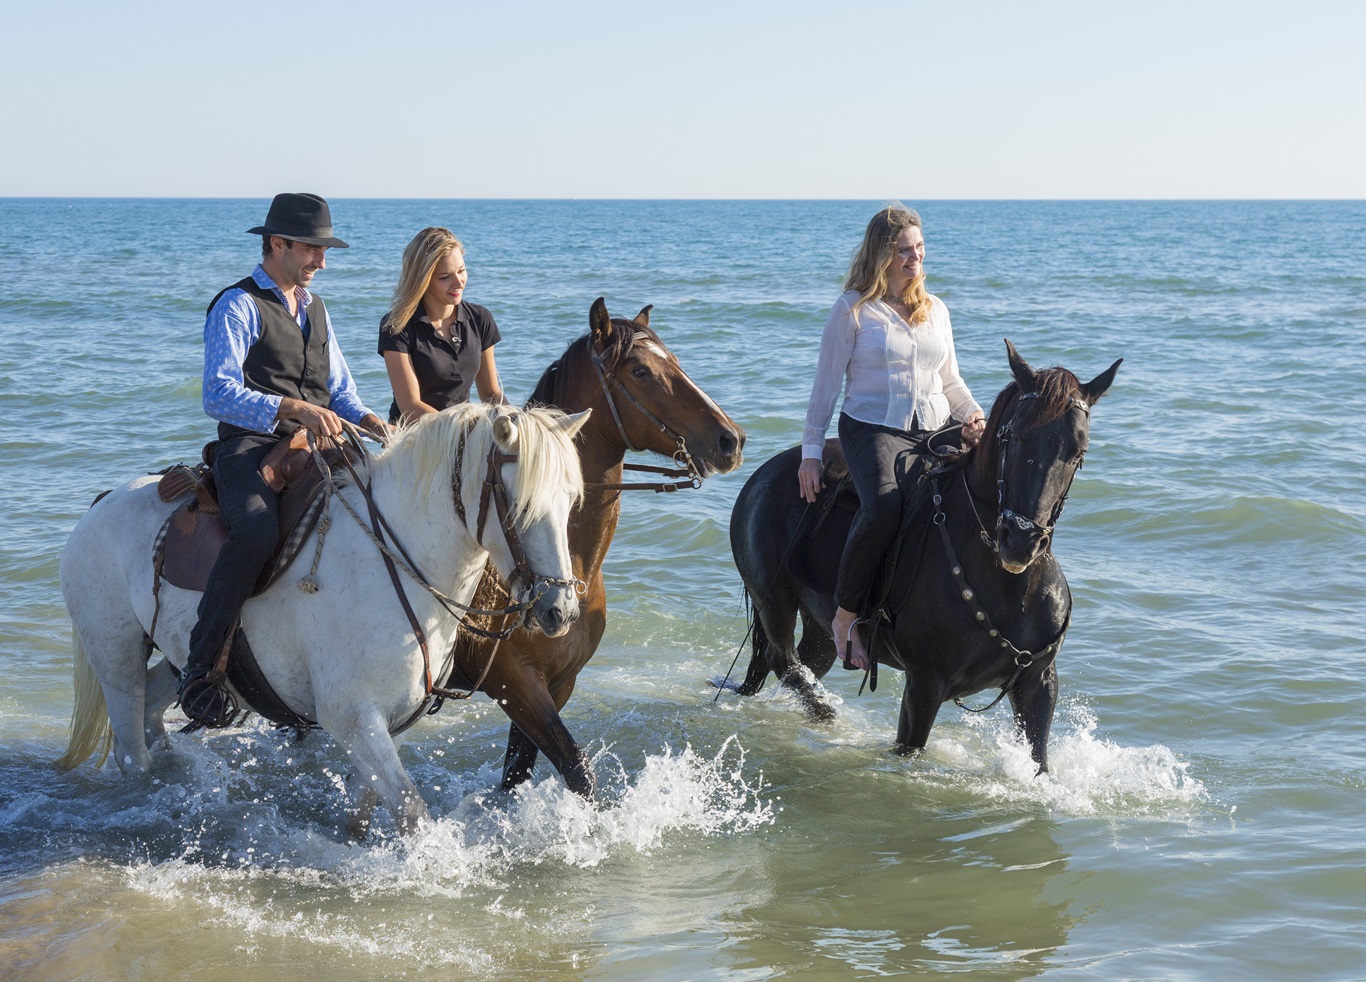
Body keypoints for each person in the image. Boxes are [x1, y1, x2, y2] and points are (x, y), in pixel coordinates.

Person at [180, 192, 387, 726]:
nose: (322, 261)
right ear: (277, 244)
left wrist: (371, 421)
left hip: (321, 447)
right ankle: (200, 670)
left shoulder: (317, 309)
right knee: (254, 534)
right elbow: (217, 394)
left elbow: (339, 391)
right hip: (248, 448)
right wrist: (291, 407)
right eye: (312, 249)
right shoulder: (238, 305)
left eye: (323, 250)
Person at [798, 204, 987, 672]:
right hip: (872, 427)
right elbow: (825, 384)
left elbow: (950, 379)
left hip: (936, 427)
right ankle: (846, 617)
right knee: (883, 506)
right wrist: (810, 453)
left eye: (919, 248)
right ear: (881, 254)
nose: (914, 257)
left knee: (979, 495)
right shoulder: (854, 309)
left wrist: (974, 414)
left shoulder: (936, 309)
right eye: (904, 250)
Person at [378, 227, 504, 424]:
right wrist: (462, 433)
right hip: (414, 439)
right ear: (422, 280)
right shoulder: (397, 326)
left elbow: (490, 393)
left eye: (461, 271)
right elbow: (410, 405)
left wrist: (516, 423)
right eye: (445, 277)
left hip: (464, 437)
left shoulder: (481, 319)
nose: (458, 282)